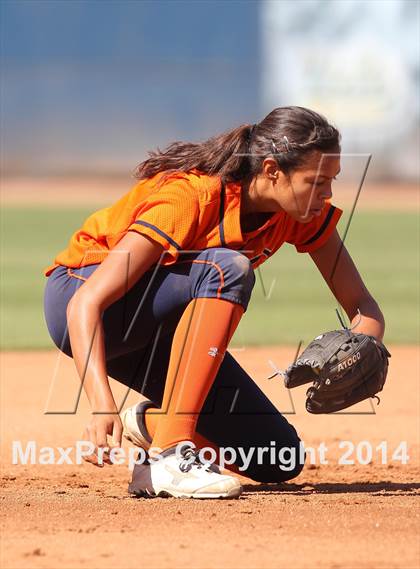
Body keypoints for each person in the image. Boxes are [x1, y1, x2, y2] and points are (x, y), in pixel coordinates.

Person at [43, 106, 385, 499]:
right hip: (86, 302)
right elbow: (85, 303)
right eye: (316, 181)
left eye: (332, 181)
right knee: (227, 268)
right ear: (272, 170)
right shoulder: (191, 196)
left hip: (163, 327)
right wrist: (101, 402)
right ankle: (171, 451)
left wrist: (365, 345)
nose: (326, 194)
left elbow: (363, 306)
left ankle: (153, 432)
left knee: (277, 458)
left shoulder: (300, 212)